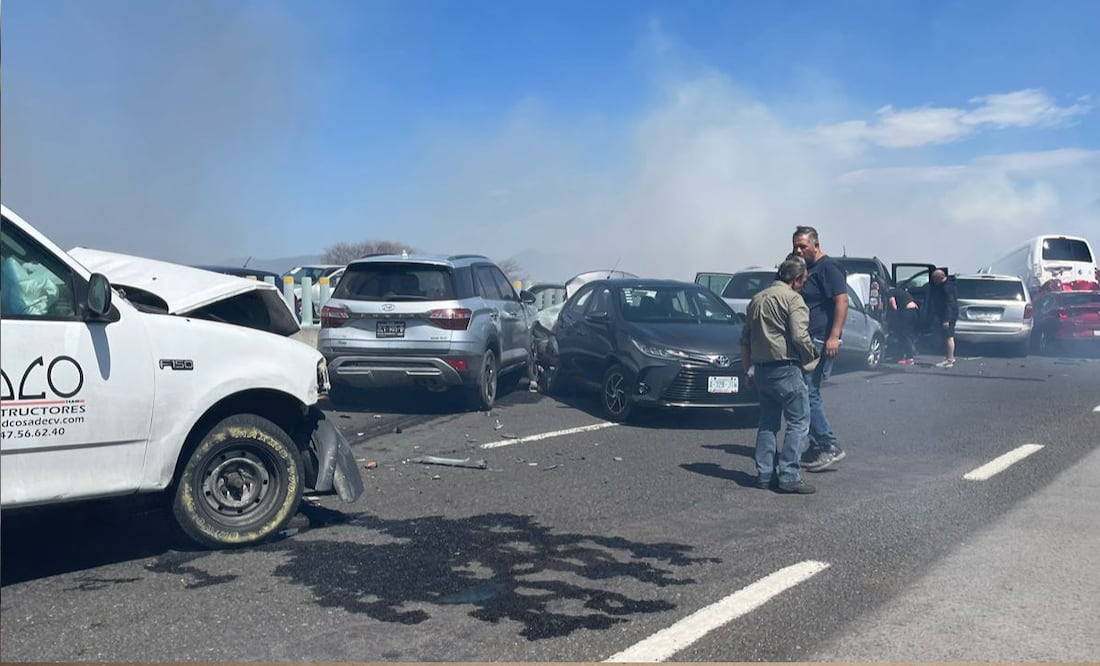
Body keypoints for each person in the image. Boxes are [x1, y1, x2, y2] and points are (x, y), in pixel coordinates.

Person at [740, 256, 820, 494]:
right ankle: (789, 475)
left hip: (762, 370)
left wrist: (748, 370)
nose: (803, 284)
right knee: (798, 422)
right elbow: (798, 335)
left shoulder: (757, 299)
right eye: (803, 280)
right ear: (796, 280)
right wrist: (812, 356)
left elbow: (744, 339)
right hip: (787, 368)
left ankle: (764, 474)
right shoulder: (793, 299)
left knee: (767, 423)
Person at [791, 226, 848, 471]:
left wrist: (834, 336)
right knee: (807, 391)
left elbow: (842, 301)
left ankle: (828, 445)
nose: (798, 250)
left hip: (819, 340)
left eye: (803, 246)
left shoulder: (828, 268)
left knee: (808, 392)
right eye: (796, 246)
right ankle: (816, 445)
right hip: (805, 339)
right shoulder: (806, 268)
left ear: (816, 244)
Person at [930, 269, 958, 368]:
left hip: (948, 316)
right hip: (946, 315)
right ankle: (949, 357)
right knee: (948, 337)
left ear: (939, 277)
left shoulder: (947, 288)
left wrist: (947, 319)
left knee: (949, 337)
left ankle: (949, 359)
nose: (933, 281)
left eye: (934, 278)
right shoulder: (947, 286)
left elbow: (949, 304)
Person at [887, 285, 919, 365]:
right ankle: (903, 355)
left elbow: (892, 302)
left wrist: (895, 313)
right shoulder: (902, 292)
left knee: (904, 334)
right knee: (908, 334)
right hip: (915, 311)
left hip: (907, 311)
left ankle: (909, 358)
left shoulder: (890, 292)